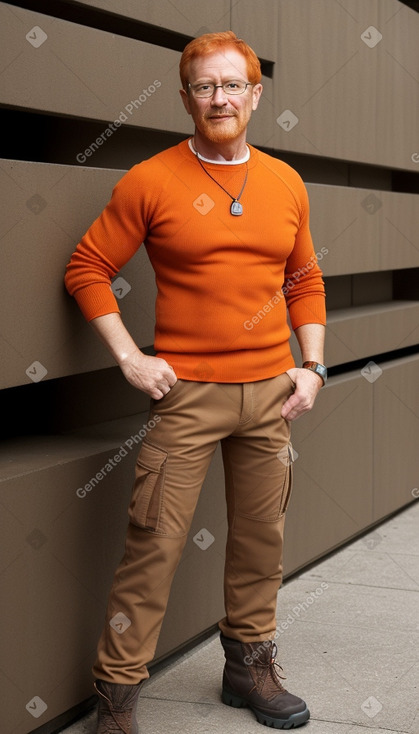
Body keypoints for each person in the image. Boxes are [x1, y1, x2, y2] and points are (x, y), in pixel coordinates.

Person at [64, 30, 326, 732]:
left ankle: (247, 667)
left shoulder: (284, 181)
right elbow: (86, 268)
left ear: (255, 94)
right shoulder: (152, 178)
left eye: (232, 84)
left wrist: (313, 365)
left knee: (259, 541)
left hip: (271, 391)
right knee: (153, 548)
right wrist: (128, 356)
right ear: (185, 97)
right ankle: (115, 698)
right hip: (186, 398)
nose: (219, 98)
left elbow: (302, 278)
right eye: (205, 86)